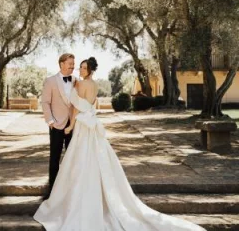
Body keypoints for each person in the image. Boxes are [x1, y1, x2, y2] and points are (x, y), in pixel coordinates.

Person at [34, 57, 206, 231]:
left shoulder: (80, 84)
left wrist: (71, 125)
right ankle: (61, 192)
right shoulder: (85, 84)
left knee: (77, 160)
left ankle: (70, 196)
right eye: (75, 66)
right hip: (80, 124)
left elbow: (78, 106)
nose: (77, 68)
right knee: (74, 159)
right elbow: (57, 103)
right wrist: (52, 121)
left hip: (79, 125)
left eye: (81, 67)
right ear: (62, 65)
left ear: (89, 70)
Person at [41, 53, 75, 200]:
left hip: (73, 126)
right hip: (56, 125)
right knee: (54, 158)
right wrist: (50, 121)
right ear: (61, 64)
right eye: (70, 64)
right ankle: (52, 191)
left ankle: (70, 190)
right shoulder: (50, 81)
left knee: (72, 158)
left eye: (74, 64)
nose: (73, 67)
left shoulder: (75, 81)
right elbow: (45, 103)